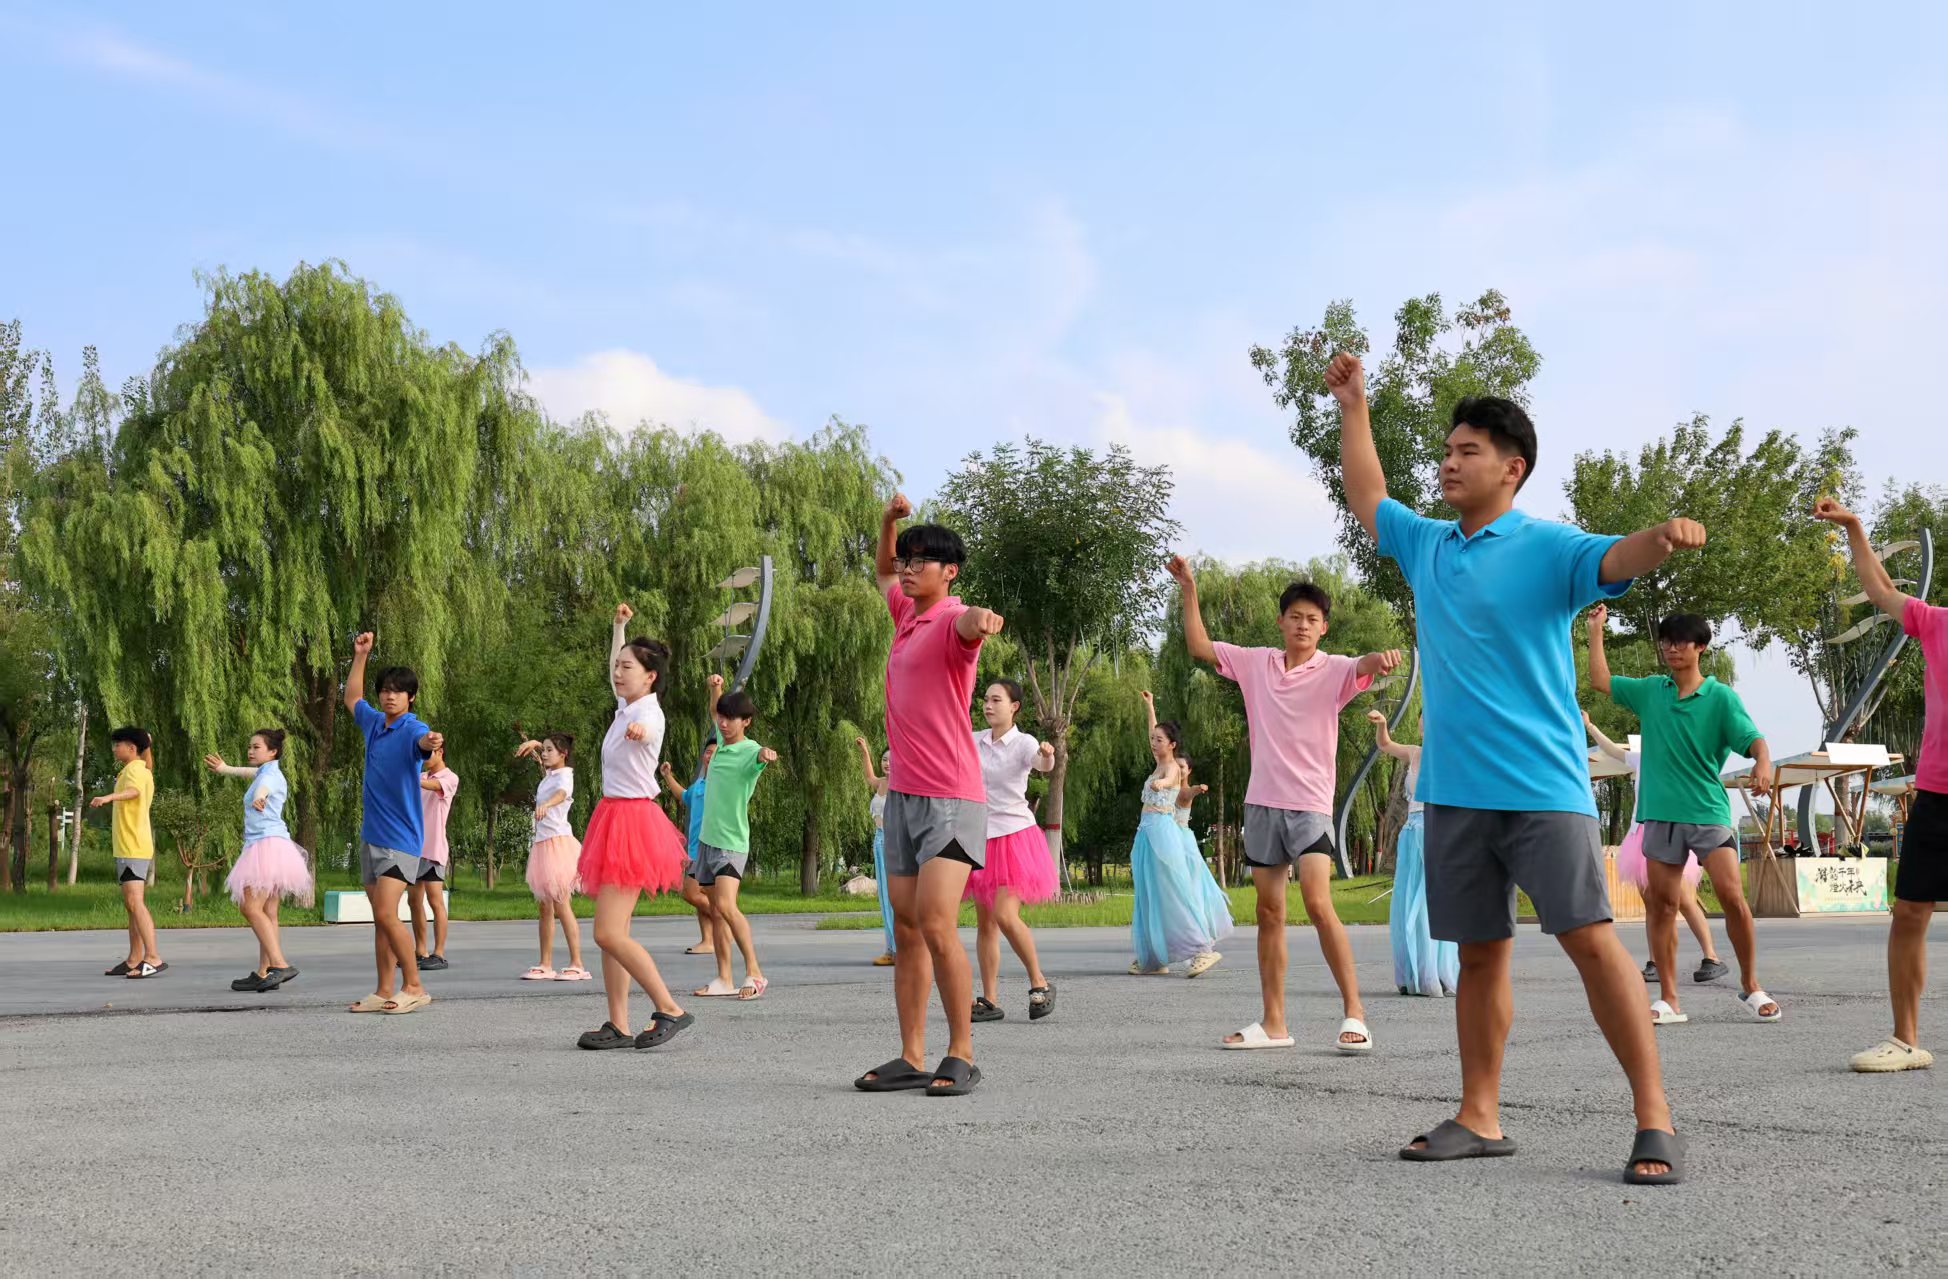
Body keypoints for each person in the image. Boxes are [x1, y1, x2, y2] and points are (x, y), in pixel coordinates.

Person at [1329, 350, 1692, 1183]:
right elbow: (1367, 495)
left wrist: (1662, 539)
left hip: (1542, 788)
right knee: (1479, 954)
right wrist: (1355, 407)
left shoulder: (1546, 546)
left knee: (1590, 940)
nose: (1450, 463)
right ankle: (1479, 1114)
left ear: (1512, 467)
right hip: (1454, 792)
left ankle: (1655, 1116)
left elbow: (1615, 558)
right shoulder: (1427, 544)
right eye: (1447, 451)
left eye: (1468, 451)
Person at [1167, 554, 1397, 1054]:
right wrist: (1189, 588)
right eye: (1295, 617)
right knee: (1269, 911)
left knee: (1317, 903)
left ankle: (1355, 1013)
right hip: (1262, 803)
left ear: (1324, 628)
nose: (1303, 625)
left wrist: (1378, 660)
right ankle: (1274, 1023)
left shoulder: (1334, 669)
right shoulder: (1256, 663)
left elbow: (1363, 664)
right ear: (1281, 622)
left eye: (1313, 619)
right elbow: (1199, 646)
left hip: (1310, 805)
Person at [853, 496, 1002, 1097]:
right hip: (904, 798)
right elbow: (883, 572)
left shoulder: (949, 620)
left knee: (938, 923)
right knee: (908, 928)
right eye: (908, 559)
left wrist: (983, 619)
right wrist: (888, 524)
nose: (909, 569)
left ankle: (962, 1051)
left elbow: (970, 623)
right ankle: (911, 1054)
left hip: (952, 797)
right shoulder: (906, 615)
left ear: (950, 572)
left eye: (923, 561)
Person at [1588, 605, 1777, 1026]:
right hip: (1659, 815)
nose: (1672, 649)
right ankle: (1669, 1000)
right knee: (1662, 905)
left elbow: (1754, 740)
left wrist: (1763, 763)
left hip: (1707, 811)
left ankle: (1751, 985)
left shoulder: (1720, 697)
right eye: (1666, 642)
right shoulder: (1651, 691)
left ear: (1700, 647)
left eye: (1681, 642)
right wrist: (1596, 630)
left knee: (1732, 897)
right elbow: (1601, 680)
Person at [1815, 498, 1940, 1072]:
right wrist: (1854, 528)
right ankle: (1906, 1040)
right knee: (1909, 912)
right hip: (1937, 793)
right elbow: (1881, 590)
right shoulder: (1938, 624)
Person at [573, 602, 693, 1050]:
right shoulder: (625, 707)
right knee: (613, 935)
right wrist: (619, 628)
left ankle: (670, 1007)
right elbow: (614, 668)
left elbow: (649, 728)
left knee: (606, 932)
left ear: (650, 677)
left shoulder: (648, 715)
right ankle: (618, 1024)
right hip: (613, 817)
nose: (619, 672)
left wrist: (642, 733)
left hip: (632, 823)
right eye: (618, 666)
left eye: (628, 668)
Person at [1582, 711, 1727, 986]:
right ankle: (1656, 961)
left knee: (1684, 900)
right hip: (1640, 836)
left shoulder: (1682, 758)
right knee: (1651, 903)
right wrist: (1591, 726)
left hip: (1673, 832)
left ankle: (1711, 956)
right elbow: (1612, 750)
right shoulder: (1641, 759)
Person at [342, 634, 441, 1015]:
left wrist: (431, 741)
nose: (389, 696)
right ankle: (384, 989)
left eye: (398, 692)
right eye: (385, 690)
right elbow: (352, 698)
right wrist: (361, 655)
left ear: (410, 698)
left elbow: (423, 744)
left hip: (401, 840)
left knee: (386, 913)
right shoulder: (374, 724)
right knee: (381, 919)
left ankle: (414, 985)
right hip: (372, 835)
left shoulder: (413, 728)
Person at [966, 679, 1059, 1022]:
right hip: (981, 838)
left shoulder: (1024, 742)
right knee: (986, 924)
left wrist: (1047, 756)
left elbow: (1042, 764)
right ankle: (990, 1000)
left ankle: (1040, 983)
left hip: (1015, 838)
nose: (988, 705)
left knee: (1005, 915)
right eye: (985, 700)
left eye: (996, 700)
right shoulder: (975, 739)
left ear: (1014, 706)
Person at [1127, 692, 1232, 980]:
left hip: (1163, 831)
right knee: (1151, 892)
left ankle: (1202, 949)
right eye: (1153, 740)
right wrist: (1150, 706)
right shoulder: (1158, 760)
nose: (1154, 742)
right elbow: (1152, 731)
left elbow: (1170, 779)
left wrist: (1162, 784)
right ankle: (1155, 957)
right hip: (1146, 831)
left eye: (1160, 740)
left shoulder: (1172, 767)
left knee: (1172, 891)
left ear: (1172, 744)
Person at [690, 675, 778, 1002]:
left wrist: (766, 755)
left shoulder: (749, 750)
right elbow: (715, 710)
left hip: (731, 843)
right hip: (707, 840)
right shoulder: (721, 743)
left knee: (727, 905)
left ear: (747, 722)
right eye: (722, 718)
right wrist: (715, 688)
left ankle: (755, 972)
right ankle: (723, 978)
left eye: (731, 719)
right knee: (716, 911)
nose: (724, 724)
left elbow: (760, 756)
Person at [207, 729, 311, 991]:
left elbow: (262, 790)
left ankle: (280, 965)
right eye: (250, 747)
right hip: (276, 846)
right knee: (268, 912)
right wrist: (225, 769)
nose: (250, 751)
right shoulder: (268, 771)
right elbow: (252, 774)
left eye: (256, 747)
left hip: (265, 847)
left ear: (272, 752)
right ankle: (265, 972)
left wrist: (259, 799)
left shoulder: (270, 777)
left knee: (250, 907)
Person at [1369, 710, 1458, 998]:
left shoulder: (1451, 755)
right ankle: (1415, 974)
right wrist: (1383, 724)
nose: (1422, 720)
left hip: (1435, 833)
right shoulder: (1414, 752)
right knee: (1407, 903)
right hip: (1410, 835)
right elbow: (1385, 744)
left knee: (1430, 905)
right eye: (1421, 716)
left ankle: (1437, 973)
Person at [515, 733, 590, 982]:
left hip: (558, 844)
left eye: (550, 750)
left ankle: (577, 963)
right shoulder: (550, 774)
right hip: (543, 845)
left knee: (561, 903)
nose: (545, 754)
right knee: (545, 906)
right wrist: (536, 744)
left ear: (563, 754)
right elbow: (546, 764)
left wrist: (547, 804)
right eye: (544, 750)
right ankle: (545, 964)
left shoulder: (565, 775)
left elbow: (562, 793)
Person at [96, 727, 163, 979]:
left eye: (118, 744)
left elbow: (134, 791)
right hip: (129, 845)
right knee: (131, 905)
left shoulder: (135, 770)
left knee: (135, 902)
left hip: (133, 845)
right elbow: (147, 766)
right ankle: (134, 958)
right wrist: (147, 744)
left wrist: (108, 797)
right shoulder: (139, 768)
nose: (115, 749)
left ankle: (153, 957)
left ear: (132, 748)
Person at [661, 745, 721, 957]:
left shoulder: (722, 783)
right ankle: (708, 941)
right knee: (701, 895)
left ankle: (726, 919)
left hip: (711, 848)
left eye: (716, 752)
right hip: (695, 849)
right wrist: (668, 776)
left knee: (690, 892)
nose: (710, 755)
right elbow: (683, 796)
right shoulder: (699, 785)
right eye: (708, 752)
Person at [411, 746, 458, 971]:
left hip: (433, 848)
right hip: (413, 848)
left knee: (435, 900)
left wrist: (409, 777)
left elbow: (434, 786)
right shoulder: (420, 776)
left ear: (440, 752)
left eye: (427, 754)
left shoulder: (450, 778)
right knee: (413, 901)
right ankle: (420, 951)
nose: (423, 759)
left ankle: (439, 953)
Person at [853, 738, 898, 966]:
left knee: (896, 897)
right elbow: (869, 777)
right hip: (879, 841)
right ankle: (891, 949)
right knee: (884, 897)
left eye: (891, 759)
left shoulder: (902, 785)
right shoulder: (881, 783)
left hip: (895, 842)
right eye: (884, 759)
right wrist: (865, 752)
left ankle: (901, 949)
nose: (887, 763)